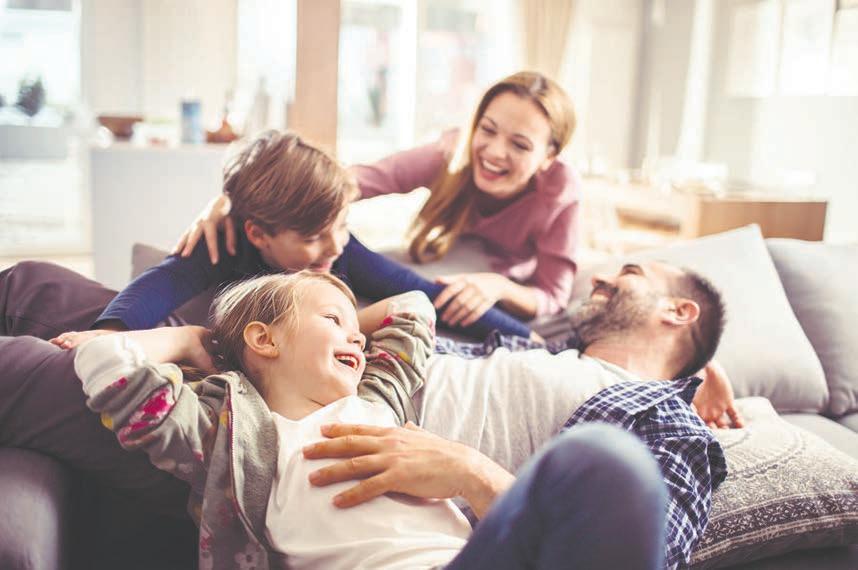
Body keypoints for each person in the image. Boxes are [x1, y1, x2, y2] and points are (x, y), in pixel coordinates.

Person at [0, 259, 738, 567]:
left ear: (680, 313)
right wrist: (247, 335)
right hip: (275, 375)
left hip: (272, 460)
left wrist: (470, 472)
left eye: (629, 273)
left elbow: (636, 551)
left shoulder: (663, 420)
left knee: (605, 466)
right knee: (33, 284)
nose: (602, 275)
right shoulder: (539, 348)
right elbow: (409, 305)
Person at [177, 70, 580, 330]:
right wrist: (234, 200)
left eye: (519, 144)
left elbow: (553, 294)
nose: (494, 151)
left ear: (549, 156)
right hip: (444, 260)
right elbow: (340, 184)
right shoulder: (451, 153)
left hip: (499, 280)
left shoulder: (560, 193)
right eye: (487, 130)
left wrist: (499, 287)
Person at [71, 129, 531, 346]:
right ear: (258, 235)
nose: (334, 246)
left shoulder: (340, 251)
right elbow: (161, 283)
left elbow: (424, 292)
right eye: (313, 236)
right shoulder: (226, 247)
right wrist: (109, 334)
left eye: (342, 225)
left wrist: (531, 339)